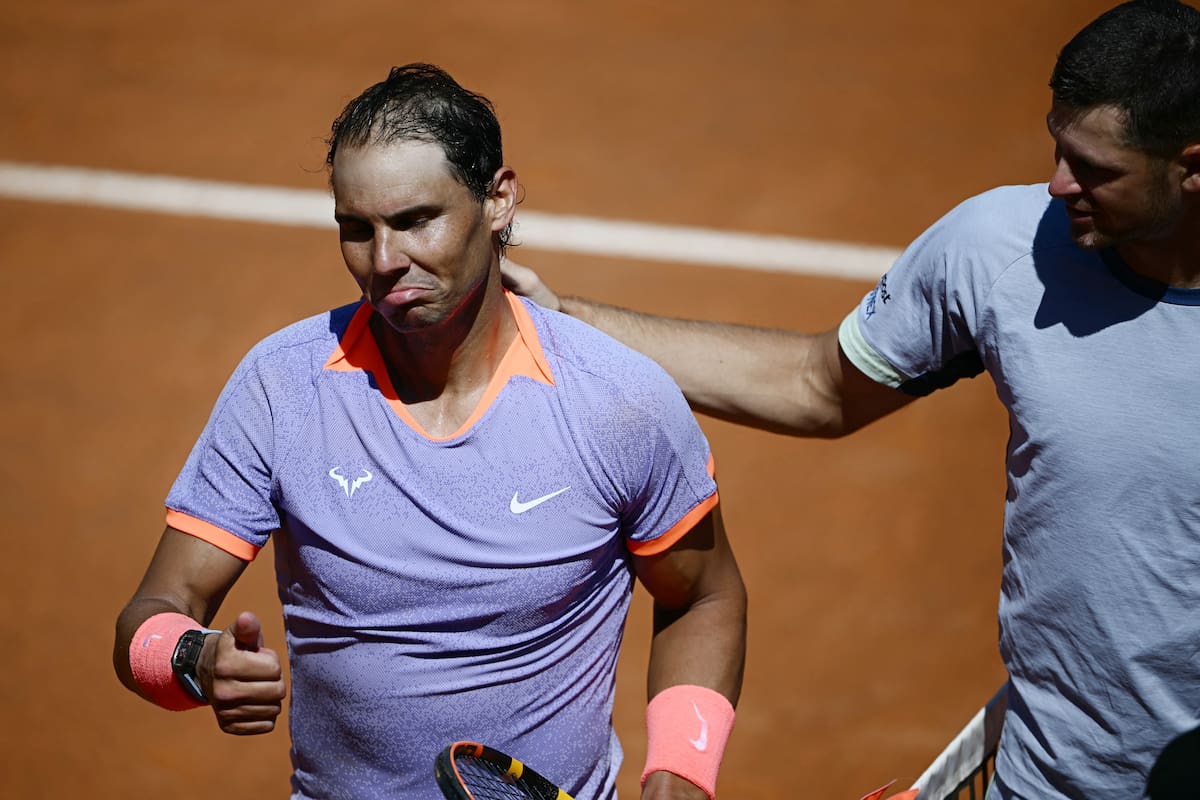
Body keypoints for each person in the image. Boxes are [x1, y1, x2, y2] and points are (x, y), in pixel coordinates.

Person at [502, 2, 1200, 797]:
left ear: (1191, 166)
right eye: (1057, 146)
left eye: (1096, 169)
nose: (1058, 183)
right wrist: (571, 324)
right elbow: (819, 385)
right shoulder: (1001, 249)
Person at [112, 63, 747, 800]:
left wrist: (681, 772)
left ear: (498, 200)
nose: (384, 262)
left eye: (416, 221)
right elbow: (153, 615)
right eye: (357, 229)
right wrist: (194, 661)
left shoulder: (617, 402)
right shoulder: (282, 387)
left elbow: (704, 596)